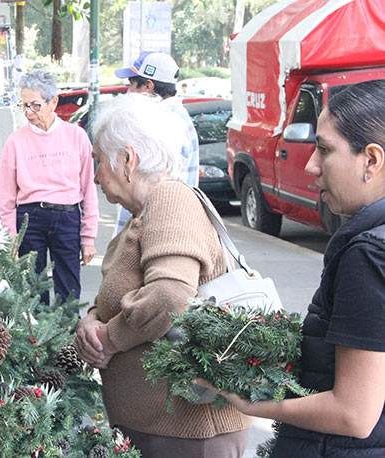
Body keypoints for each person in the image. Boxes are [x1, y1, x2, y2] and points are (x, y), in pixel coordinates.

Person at [196, 80, 385, 457]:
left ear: (372, 160)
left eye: (324, 149)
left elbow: (354, 414)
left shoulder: (367, 254)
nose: (311, 166)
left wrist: (251, 401)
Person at [74, 93, 251, 458]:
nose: (94, 176)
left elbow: (170, 297)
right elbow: (126, 294)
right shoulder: (143, 213)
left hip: (185, 433)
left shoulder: (170, 199)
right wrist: (92, 321)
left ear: (127, 159)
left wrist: (109, 338)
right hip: (162, 429)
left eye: (98, 161)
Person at [0, 69, 99, 307]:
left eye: (35, 105)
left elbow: (88, 191)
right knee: (33, 289)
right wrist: (11, 240)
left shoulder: (76, 136)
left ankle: (69, 342)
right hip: (29, 219)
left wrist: (88, 237)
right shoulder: (15, 142)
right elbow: (6, 198)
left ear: (53, 102)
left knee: (69, 289)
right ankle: (36, 342)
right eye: (23, 105)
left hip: (67, 217)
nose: (28, 112)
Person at [112, 51, 199, 235]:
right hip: (173, 226)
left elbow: (141, 187)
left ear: (148, 87)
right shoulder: (180, 118)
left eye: (132, 85)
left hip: (154, 232)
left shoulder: (159, 123)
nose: (129, 92)